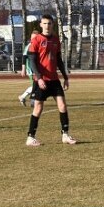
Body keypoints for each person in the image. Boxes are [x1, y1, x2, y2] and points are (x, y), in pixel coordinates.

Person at [25, 15, 76, 147]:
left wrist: (65, 77)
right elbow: (32, 61)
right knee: (38, 108)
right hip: (41, 80)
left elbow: (58, 60)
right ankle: (30, 137)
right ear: (41, 25)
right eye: (45, 23)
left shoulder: (55, 40)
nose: (47, 26)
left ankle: (65, 134)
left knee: (63, 106)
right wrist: (39, 78)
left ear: (53, 25)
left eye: (49, 23)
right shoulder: (36, 40)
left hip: (54, 80)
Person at [17, 30, 38, 107]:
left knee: (36, 85)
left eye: (35, 38)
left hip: (37, 69)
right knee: (35, 85)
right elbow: (24, 58)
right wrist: (23, 69)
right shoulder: (29, 46)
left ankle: (23, 97)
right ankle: (32, 101)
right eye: (33, 38)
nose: (34, 40)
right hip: (31, 69)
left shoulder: (38, 46)